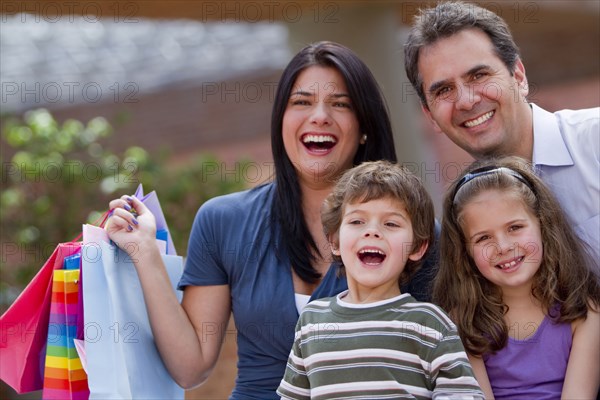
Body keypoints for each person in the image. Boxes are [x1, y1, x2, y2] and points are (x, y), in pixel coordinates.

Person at [106, 41, 437, 399]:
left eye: (340, 104)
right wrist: (144, 253)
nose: (320, 116)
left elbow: (439, 363)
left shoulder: (414, 236)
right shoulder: (224, 221)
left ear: (364, 128)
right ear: (281, 120)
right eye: (302, 102)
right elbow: (191, 366)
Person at [403, 1, 599, 267]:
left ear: (518, 77)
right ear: (430, 116)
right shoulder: (464, 218)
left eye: (479, 75)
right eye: (444, 90)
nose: (466, 101)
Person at [277, 160, 484, 399]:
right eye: (357, 221)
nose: (372, 231)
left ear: (417, 246)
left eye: (391, 223)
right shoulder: (312, 322)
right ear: (334, 240)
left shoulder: (430, 324)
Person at [433, 156, 600, 399]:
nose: (502, 246)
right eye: (483, 238)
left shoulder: (584, 312)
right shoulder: (463, 321)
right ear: (464, 250)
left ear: (543, 224)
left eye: (515, 228)